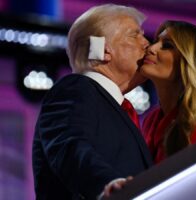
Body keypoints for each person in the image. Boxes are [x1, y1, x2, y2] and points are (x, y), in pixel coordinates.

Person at [32, 4, 153, 200]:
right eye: (134, 35)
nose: (146, 43)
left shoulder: (118, 109)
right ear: (103, 51)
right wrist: (108, 184)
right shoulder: (75, 89)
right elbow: (69, 147)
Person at [141, 20, 196, 164]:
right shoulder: (151, 120)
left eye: (167, 45)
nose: (152, 48)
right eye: (156, 41)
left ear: (190, 63)